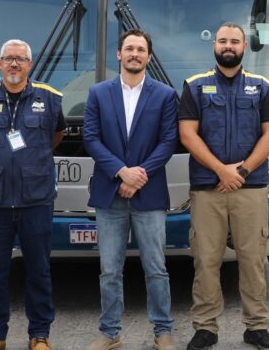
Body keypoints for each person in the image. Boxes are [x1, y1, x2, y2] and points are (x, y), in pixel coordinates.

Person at [178, 22, 269, 350]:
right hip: (208, 189)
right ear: (214, 46)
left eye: (234, 41)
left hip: (250, 189)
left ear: (244, 47)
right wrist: (221, 170)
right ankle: (206, 327)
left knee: (253, 259)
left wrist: (242, 170)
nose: (228, 46)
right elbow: (187, 134)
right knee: (206, 260)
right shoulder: (195, 86)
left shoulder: (262, 87)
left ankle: (257, 326)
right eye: (222, 40)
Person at [83, 29, 178, 350]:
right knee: (109, 270)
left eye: (141, 49)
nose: (135, 53)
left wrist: (139, 175)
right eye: (129, 48)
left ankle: (162, 331)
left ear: (148, 56)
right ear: (119, 55)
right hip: (109, 195)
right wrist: (121, 172)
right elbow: (91, 139)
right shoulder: (98, 93)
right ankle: (109, 333)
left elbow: (168, 141)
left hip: (149, 196)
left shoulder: (165, 95)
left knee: (156, 268)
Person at [0, 40, 67, 350]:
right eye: (8, 59)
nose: (14, 64)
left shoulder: (50, 99)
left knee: (38, 270)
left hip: (35, 200)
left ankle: (39, 335)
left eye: (20, 59)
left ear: (29, 64)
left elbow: (56, 135)